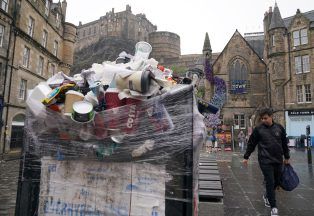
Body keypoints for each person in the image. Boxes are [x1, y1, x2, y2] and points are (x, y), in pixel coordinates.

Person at [242, 108, 290, 216]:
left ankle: (267, 195)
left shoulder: (279, 128)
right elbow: (251, 144)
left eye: (265, 118)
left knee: (277, 181)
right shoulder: (258, 130)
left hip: (278, 160)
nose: (263, 120)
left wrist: (287, 157)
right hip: (265, 160)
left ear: (271, 116)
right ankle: (274, 207)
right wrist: (246, 157)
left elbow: (284, 144)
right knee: (270, 181)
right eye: (262, 118)